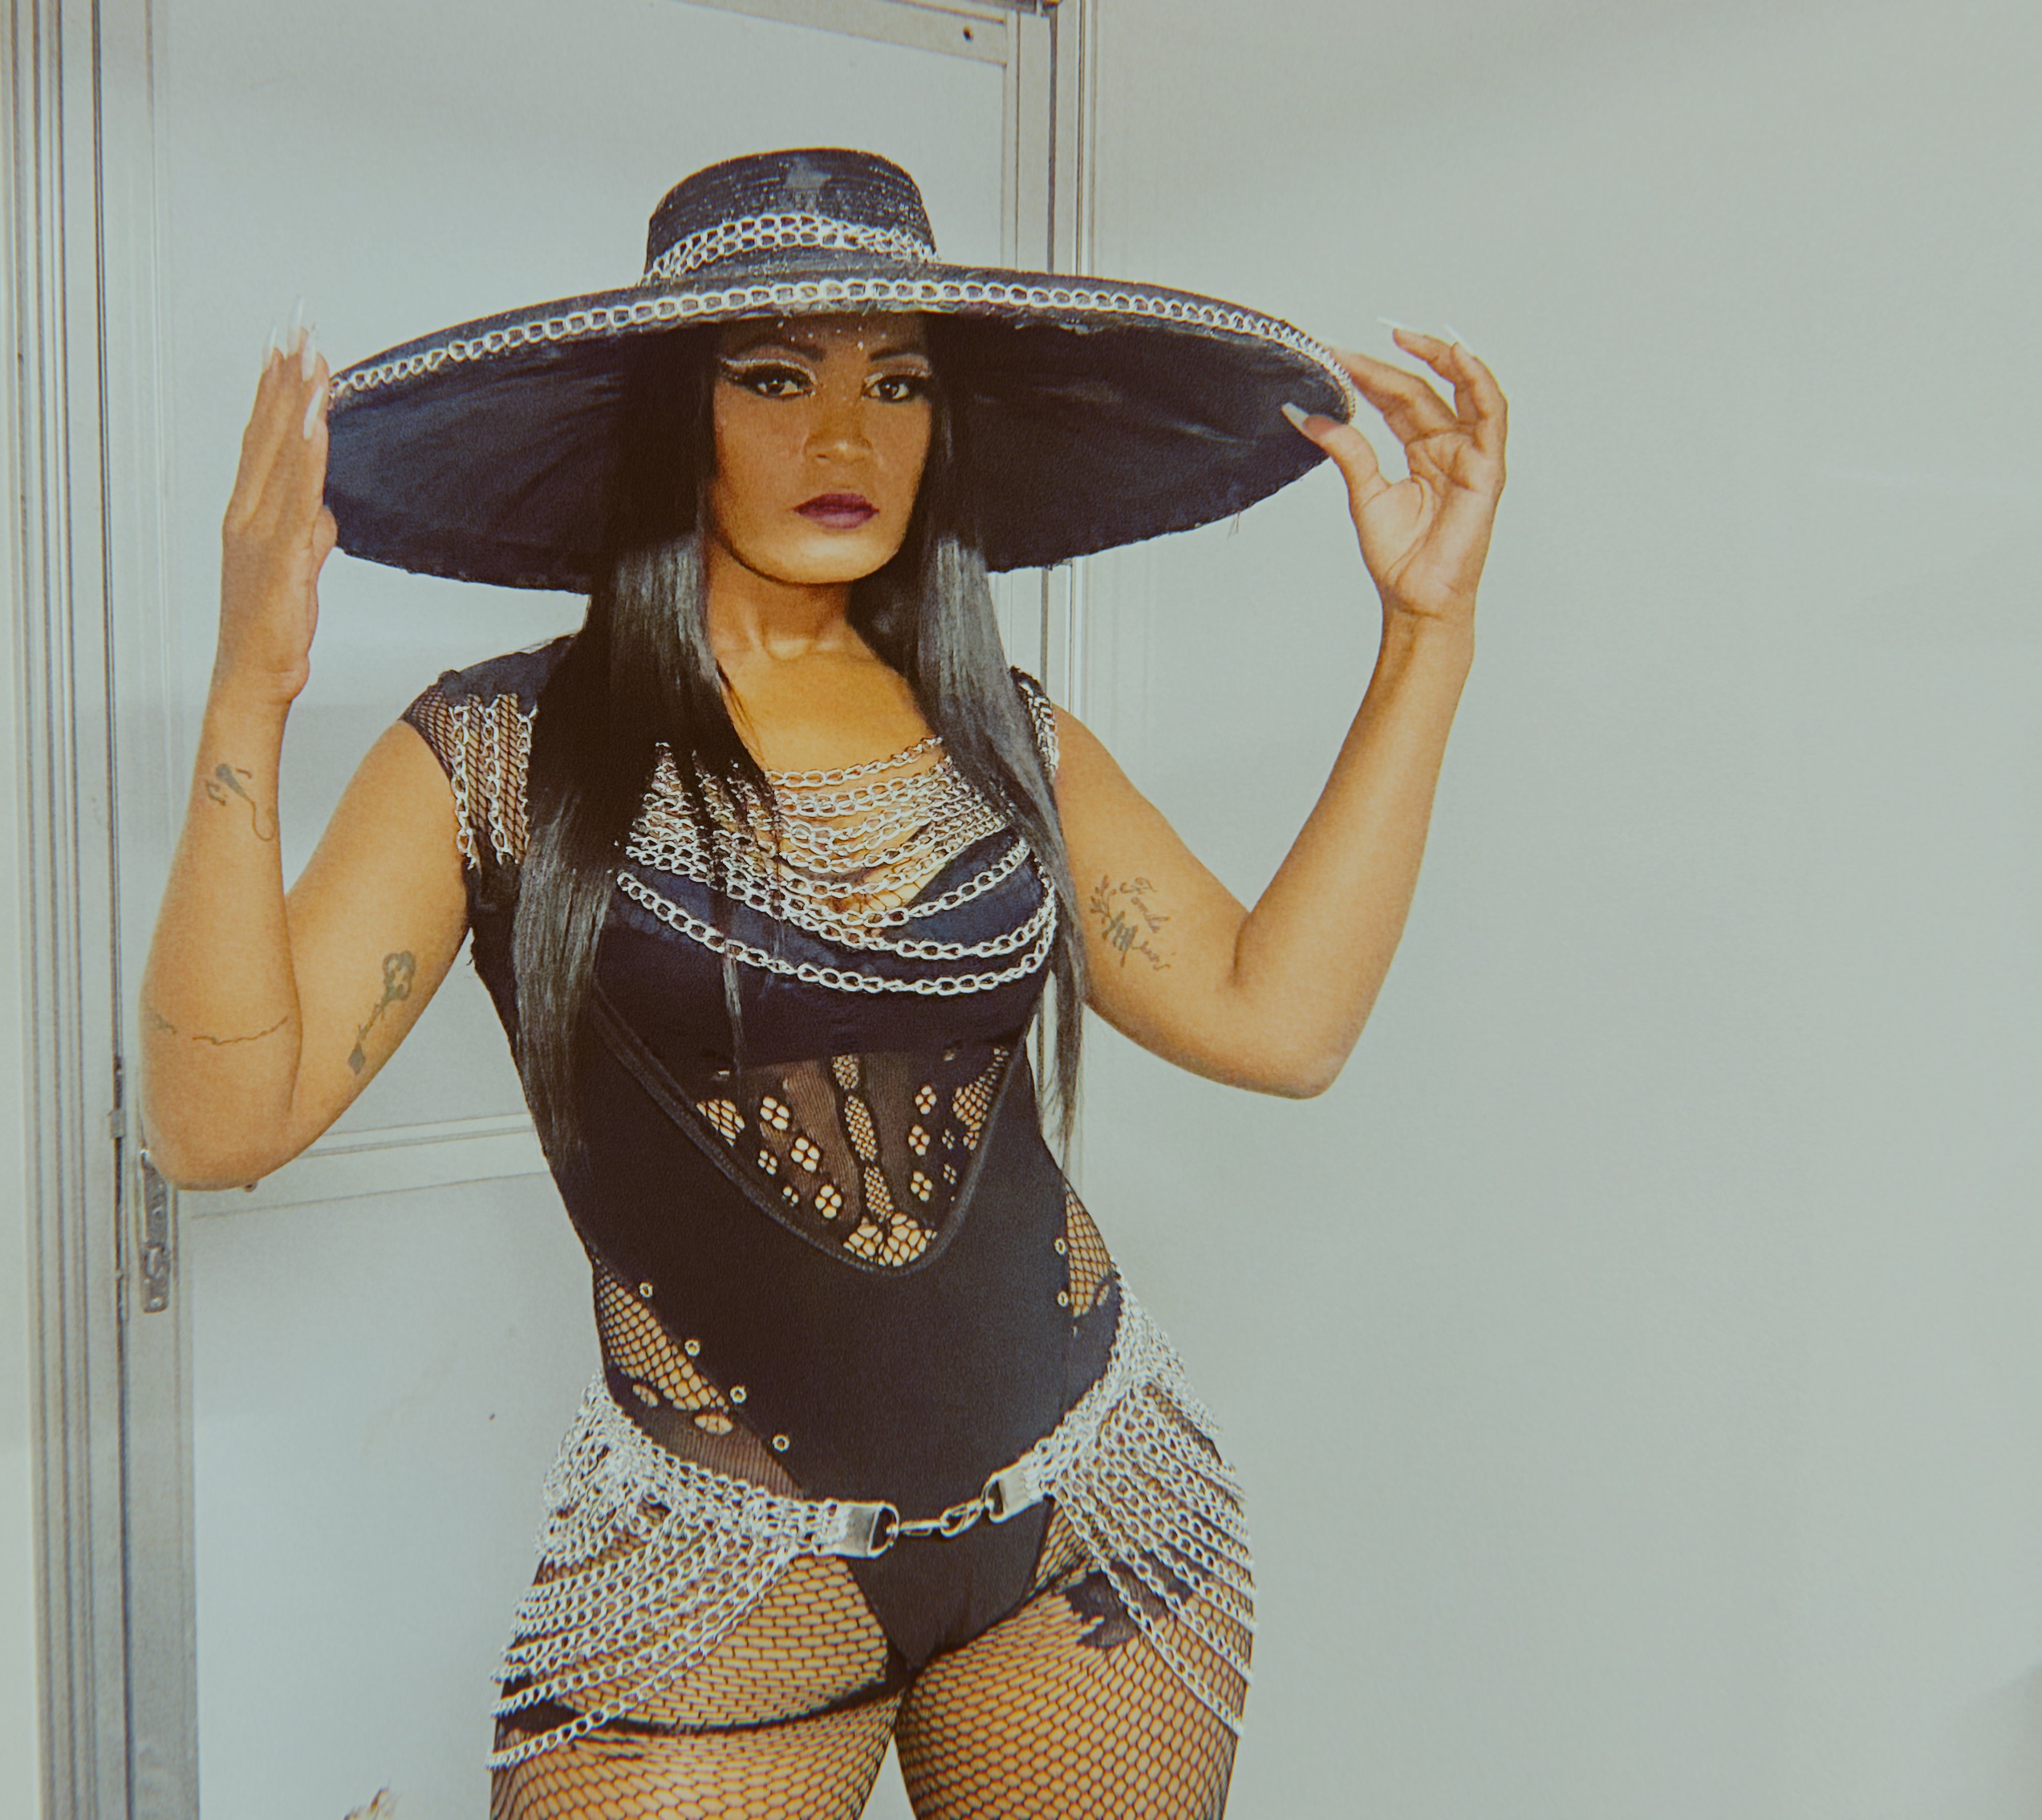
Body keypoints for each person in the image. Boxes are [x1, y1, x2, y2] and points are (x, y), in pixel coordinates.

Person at [140, 149, 1505, 1820]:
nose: (846, 438)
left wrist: (1427, 635)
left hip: (1093, 1531)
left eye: (899, 383)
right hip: (710, 1584)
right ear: (677, 414)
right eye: (776, 378)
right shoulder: (499, 756)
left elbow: (1278, 1022)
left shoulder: (1008, 734)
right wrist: (250, 688)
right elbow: (217, 1126)